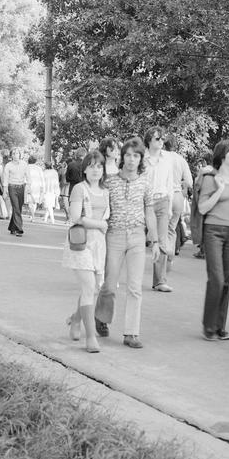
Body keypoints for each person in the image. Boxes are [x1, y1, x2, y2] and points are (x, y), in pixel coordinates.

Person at [94, 137, 161, 349]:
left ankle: (131, 333)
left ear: (141, 158)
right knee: (110, 285)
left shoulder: (144, 182)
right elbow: (98, 203)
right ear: (122, 157)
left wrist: (156, 240)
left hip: (137, 237)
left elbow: (150, 211)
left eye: (136, 155)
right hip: (114, 235)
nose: (131, 160)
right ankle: (102, 317)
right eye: (128, 155)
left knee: (134, 287)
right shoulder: (110, 181)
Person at [62, 150, 110, 353]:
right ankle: (90, 338)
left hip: (99, 243)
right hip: (81, 243)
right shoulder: (79, 189)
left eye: (99, 166)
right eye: (91, 166)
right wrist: (100, 224)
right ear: (84, 169)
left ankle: (75, 318)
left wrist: (102, 226)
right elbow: (75, 217)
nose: (95, 170)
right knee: (89, 287)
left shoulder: (106, 191)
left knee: (94, 289)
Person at [198, 139, 229, 341]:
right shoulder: (210, 178)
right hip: (213, 230)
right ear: (223, 156)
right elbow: (202, 208)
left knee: (228, 280)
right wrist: (220, 190)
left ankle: (219, 326)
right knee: (217, 278)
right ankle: (208, 325)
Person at [144, 127, 174, 292]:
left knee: (162, 241)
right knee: (133, 238)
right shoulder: (142, 159)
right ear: (149, 140)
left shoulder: (167, 159)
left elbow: (170, 183)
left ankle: (160, 281)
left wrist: (169, 207)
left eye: (162, 139)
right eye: (157, 139)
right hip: (143, 202)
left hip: (162, 200)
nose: (161, 141)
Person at [163, 135, 193, 270]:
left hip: (163, 195)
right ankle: (170, 257)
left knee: (161, 229)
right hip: (177, 196)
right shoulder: (181, 160)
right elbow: (189, 182)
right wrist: (181, 184)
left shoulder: (161, 157)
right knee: (172, 228)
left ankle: (162, 257)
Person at [2, 147, 29, 237]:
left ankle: (12, 227)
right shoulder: (8, 165)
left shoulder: (24, 164)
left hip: (21, 187)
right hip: (12, 187)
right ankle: (19, 229)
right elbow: (5, 178)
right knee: (16, 207)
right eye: (13, 153)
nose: (15, 155)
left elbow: (28, 176)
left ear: (20, 155)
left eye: (17, 153)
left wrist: (29, 187)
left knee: (18, 209)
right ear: (11, 155)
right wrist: (5, 190)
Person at [25, 155, 45, 222]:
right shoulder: (38, 168)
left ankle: (33, 216)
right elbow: (42, 178)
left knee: (30, 201)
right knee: (34, 202)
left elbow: (24, 178)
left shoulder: (26, 167)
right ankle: (33, 215)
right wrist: (42, 187)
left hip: (29, 185)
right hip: (37, 186)